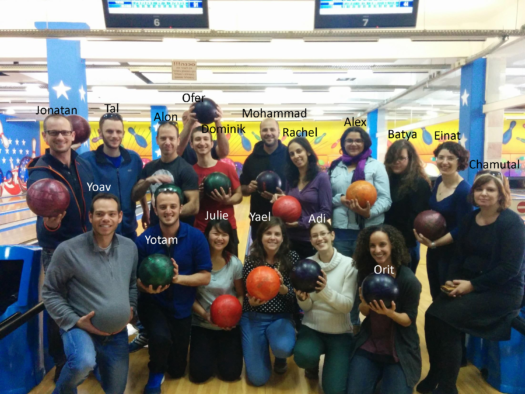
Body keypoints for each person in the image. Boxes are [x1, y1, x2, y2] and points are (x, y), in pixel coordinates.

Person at [418, 171, 525, 394]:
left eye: (490, 189)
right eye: (479, 189)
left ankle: (447, 386)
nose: (484, 193)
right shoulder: (469, 220)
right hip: (470, 283)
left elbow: (509, 270)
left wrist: (471, 286)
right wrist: (451, 283)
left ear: (500, 193)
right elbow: (459, 257)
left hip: (502, 291)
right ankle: (436, 372)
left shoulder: (511, 222)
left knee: (446, 320)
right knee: (431, 314)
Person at [42, 193, 138, 394]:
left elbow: (131, 284)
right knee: (82, 362)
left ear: (120, 217)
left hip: (116, 334)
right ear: (90, 216)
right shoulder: (68, 250)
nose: (106, 219)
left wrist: (131, 307)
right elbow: (50, 292)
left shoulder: (130, 248)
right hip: (80, 329)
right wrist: (75, 321)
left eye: (111, 214)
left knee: (116, 390)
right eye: (100, 214)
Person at [27, 114, 94, 381]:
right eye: (53, 133)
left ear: (73, 135)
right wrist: (52, 222)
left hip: (87, 245)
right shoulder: (40, 172)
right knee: (59, 307)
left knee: (86, 301)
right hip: (58, 249)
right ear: (45, 137)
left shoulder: (82, 163)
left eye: (64, 133)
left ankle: (87, 353)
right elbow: (46, 222)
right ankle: (61, 362)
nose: (60, 138)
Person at [135, 185, 211, 394]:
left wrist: (178, 279)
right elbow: (135, 279)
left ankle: (165, 361)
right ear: (155, 209)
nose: (168, 210)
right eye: (163, 207)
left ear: (180, 208)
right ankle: (155, 372)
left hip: (182, 307)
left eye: (172, 206)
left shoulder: (195, 237)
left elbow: (205, 277)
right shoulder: (144, 240)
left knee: (177, 370)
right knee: (160, 338)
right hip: (153, 303)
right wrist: (145, 288)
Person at [329, 126, 391, 332]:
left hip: (369, 232)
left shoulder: (376, 167)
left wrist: (369, 213)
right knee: (346, 279)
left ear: (365, 143)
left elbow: (385, 199)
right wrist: (342, 200)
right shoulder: (335, 167)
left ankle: (376, 326)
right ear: (343, 144)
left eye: (358, 140)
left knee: (367, 278)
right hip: (341, 231)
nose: (353, 144)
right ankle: (351, 323)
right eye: (349, 140)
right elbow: (328, 197)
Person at [347, 225, 422, 394]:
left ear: (392, 245)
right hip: (371, 343)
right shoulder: (366, 273)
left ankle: (383, 380)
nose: (377, 250)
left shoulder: (408, 280)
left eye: (382, 245)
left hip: (398, 347)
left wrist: (389, 313)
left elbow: (408, 320)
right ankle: (378, 377)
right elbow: (364, 312)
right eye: (372, 246)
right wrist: (364, 303)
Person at [293, 221, 357, 394]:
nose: (319, 238)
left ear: (332, 235)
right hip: (312, 327)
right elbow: (307, 307)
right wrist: (302, 298)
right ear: (311, 241)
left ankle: (337, 360)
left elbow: (346, 306)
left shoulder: (349, 265)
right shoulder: (306, 264)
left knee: (334, 391)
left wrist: (324, 291)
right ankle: (312, 365)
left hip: (340, 332)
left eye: (323, 233)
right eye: (315, 236)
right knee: (303, 357)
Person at [240, 217, 299, 386]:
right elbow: (244, 295)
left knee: (283, 347)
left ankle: (280, 357)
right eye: (268, 233)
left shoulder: (292, 258)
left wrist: (283, 289)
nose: (272, 237)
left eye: (277, 234)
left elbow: (297, 299)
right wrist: (250, 303)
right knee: (258, 379)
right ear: (260, 237)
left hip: (281, 317)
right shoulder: (251, 260)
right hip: (253, 317)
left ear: (282, 238)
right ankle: (262, 344)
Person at [413, 141, 473, 300]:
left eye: (450, 158)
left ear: (459, 162)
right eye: (441, 157)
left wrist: (434, 244)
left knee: (447, 297)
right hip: (434, 250)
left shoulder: (463, 191)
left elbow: (462, 228)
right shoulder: (439, 181)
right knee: (434, 292)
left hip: (452, 253)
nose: (444, 162)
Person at [189, 219, 244, 383]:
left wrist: (234, 318)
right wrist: (205, 315)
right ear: (207, 235)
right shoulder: (196, 262)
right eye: (215, 233)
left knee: (231, 374)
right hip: (202, 323)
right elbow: (189, 298)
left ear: (229, 238)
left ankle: (217, 350)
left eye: (224, 234)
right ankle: (210, 350)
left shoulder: (234, 263)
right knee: (199, 375)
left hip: (229, 326)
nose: (220, 238)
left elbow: (240, 294)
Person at [81, 113, 148, 240]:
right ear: (100, 133)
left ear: (123, 133)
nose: (114, 136)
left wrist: (146, 210)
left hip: (129, 231)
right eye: (109, 131)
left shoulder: (134, 159)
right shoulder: (86, 161)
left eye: (118, 131)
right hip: (99, 233)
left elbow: (140, 186)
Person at [272, 137, 332, 259]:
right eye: (292, 154)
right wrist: (281, 199)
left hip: (311, 239)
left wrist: (301, 223)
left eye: (299, 151)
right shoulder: (291, 178)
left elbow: (326, 212)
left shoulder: (321, 178)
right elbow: (292, 203)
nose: (296, 156)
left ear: (308, 152)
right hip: (289, 237)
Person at [131, 121, 199, 228]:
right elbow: (135, 195)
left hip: (181, 232)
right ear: (157, 140)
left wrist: (167, 215)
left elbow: (194, 206)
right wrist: (148, 181)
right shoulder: (149, 167)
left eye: (171, 138)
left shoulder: (186, 169)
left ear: (178, 141)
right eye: (163, 138)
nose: (167, 142)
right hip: (155, 228)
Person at [191, 126, 242, 255]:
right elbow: (188, 202)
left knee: (232, 269)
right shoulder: (189, 171)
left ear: (211, 143)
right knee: (204, 269)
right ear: (191, 144)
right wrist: (199, 195)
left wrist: (227, 200)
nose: (202, 143)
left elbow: (239, 195)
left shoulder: (227, 168)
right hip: (202, 228)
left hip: (227, 227)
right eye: (197, 139)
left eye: (205, 139)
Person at [384, 140, 431, 273]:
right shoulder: (385, 180)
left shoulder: (419, 183)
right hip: (385, 239)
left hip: (406, 243)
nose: (396, 162)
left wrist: (400, 241)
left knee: (405, 285)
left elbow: (419, 218)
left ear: (410, 159)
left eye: (401, 158)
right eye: (393, 158)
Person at [240, 118, 288, 241]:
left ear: (278, 132)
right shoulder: (251, 160)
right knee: (259, 257)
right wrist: (249, 188)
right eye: (265, 130)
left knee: (283, 257)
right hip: (259, 217)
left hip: (285, 217)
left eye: (272, 129)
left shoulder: (289, 155)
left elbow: (299, 185)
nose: (268, 133)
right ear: (260, 133)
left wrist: (285, 196)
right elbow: (242, 189)